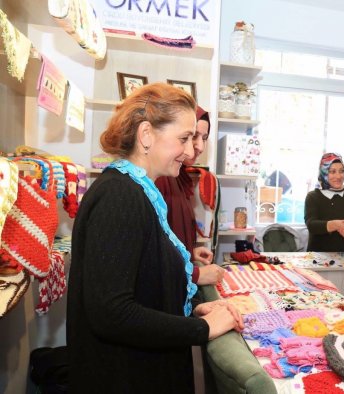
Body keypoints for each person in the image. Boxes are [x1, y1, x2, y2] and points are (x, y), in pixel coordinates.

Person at [67, 83, 244, 393]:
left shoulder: (138, 191)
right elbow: (112, 314)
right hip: (125, 377)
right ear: (146, 134)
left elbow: (145, 281)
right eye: (184, 139)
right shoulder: (119, 196)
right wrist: (201, 328)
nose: (190, 152)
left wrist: (184, 311)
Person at [155, 105, 224, 285]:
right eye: (192, 136)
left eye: (205, 138)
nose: (200, 146)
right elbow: (152, 255)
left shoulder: (179, 176)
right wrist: (195, 275)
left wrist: (188, 252)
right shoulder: (160, 178)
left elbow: (167, 238)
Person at [304, 153, 344, 255]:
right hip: (318, 259)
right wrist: (337, 225)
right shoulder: (313, 197)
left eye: (341, 171)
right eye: (332, 172)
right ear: (324, 173)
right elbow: (312, 225)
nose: (338, 176)